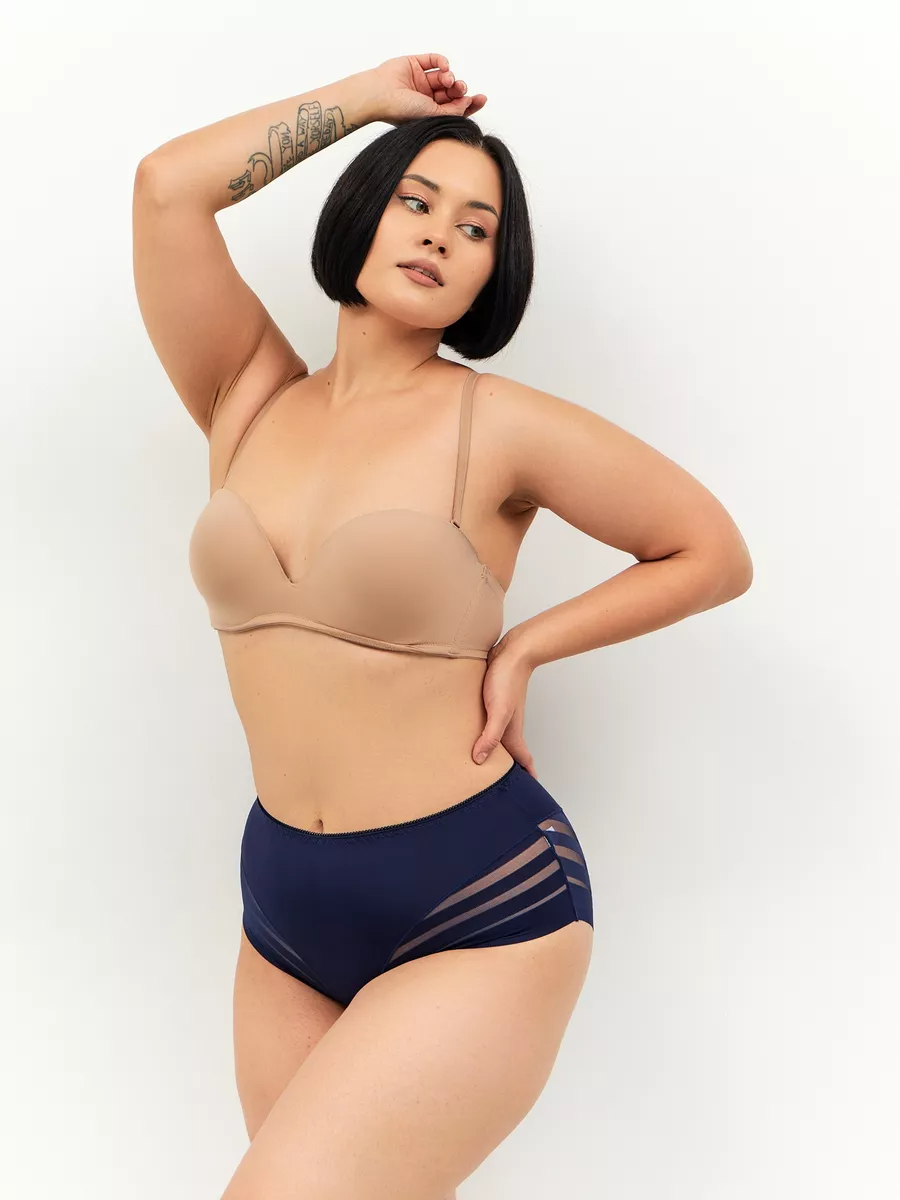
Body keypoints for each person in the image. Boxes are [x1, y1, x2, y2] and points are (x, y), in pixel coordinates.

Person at [132, 52, 753, 1200]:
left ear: (492, 273)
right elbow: (169, 188)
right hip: (283, 904)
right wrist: (373, 100)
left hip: (477, 896)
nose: (438, 236)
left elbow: (710, 550)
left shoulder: (501, 423)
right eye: (415, 200)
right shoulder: (245, 392)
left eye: (476, 228)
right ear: (363, 212)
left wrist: (528, 645)